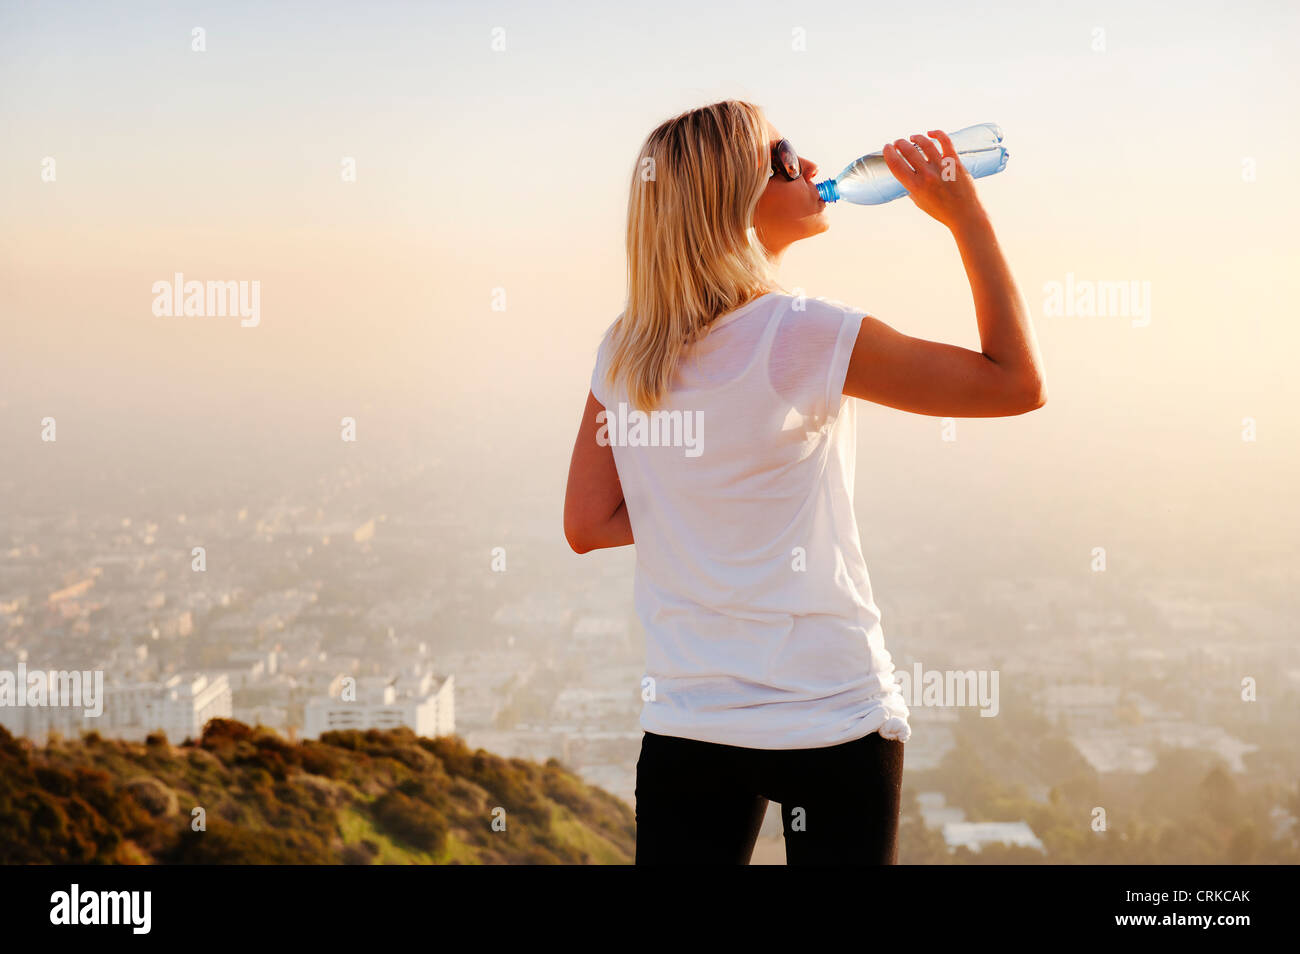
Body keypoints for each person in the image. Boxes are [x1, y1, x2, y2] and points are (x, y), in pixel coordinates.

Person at [563, 100, 1046, 865]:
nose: (815, 168)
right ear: (735, 199)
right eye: (785, 157)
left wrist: (697, 506)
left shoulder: (626, 349)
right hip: (831, 719)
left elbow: (588, 523)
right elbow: (1015, 384)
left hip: (691, 718)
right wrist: (964, 215)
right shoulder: (806, 333)